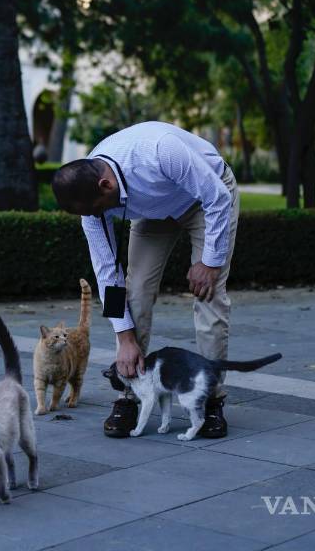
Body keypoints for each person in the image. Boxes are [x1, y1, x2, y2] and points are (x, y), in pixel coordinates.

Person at [50, 121, 240, 438]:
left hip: (207, 199)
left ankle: (211, 402)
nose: (96, 218)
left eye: (98, 211)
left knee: (210, 296)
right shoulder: (91, 204)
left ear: (106, 186)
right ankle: (129, 394)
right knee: (135, 292)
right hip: (154, 209)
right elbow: (107, 273)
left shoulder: (160, 151)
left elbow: (217, 198)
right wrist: (124, 338)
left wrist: (209, 262)